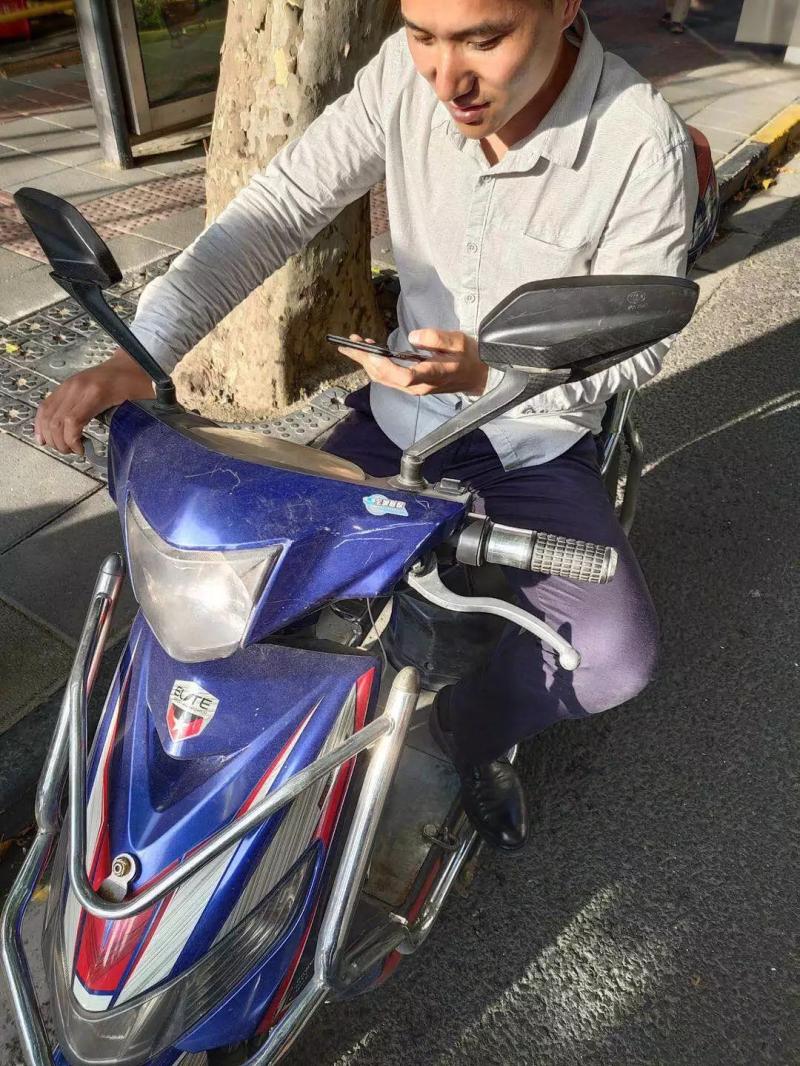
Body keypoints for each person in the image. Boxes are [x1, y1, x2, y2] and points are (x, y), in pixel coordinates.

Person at [34, 0, 698, 851]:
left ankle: (470, 735)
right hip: (398, 420)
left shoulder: (640, 141)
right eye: (423, 34)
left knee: (611, 656)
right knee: (249, 592)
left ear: (564, 6)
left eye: (484, 39)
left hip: (532, 440)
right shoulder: (398, 80)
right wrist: (142, 351)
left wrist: (490, 373)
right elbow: (280, 206)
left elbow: (637, 352)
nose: (447, 79)